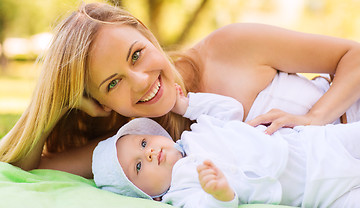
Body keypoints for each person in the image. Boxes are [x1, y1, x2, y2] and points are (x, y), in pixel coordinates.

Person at [1, 1, 360, 178]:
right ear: (98, 101)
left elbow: (353, 55)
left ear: (144, 32)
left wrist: (314, 118)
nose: (140, 80)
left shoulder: (229, 48)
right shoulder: (136, 145)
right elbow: (27, 163)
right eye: (113, 83)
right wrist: (54, 106)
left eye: (137, 54)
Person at [92, 90, 360, 208]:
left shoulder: (197, 131)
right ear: (149, 196)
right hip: (316, 195)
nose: (148, 153)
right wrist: (219, 193)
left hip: (314, 146)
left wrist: (186, 105)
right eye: (138, 166)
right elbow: (204, 206)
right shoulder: (182, 191)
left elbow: (230, 110)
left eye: (143, 143)